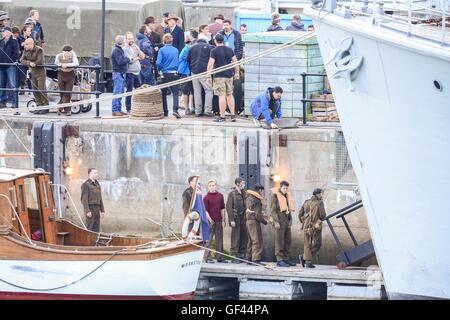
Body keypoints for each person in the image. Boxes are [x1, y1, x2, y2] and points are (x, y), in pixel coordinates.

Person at [207, 33, 240, 123]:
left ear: (215, 41)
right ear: (223, 40)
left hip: (219, 76)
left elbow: (210, 64)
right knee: (229, 94)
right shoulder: (229, 49)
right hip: (229, 75)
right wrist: (237, 73)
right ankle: (233, 115)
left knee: (221, 95)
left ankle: (222, 116)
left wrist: (208, 76)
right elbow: (235, 62)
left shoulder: (214, 51)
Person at [187, 27, 214, 117]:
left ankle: (198, 111)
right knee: (209, 90)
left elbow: (188, 59)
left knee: (196, 91)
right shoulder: (210, 47)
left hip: (194, 71)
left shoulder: (192, 47)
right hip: (205, 72)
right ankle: (207, 110)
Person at [298, 188, 326, 268]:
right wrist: (318, 222)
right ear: (318, 194)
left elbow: (300, 214)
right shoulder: (320, 203)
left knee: (307, 244)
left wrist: (303, 222)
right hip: (316, 226)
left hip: (306, 226)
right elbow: (323, 216)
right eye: (321, 194)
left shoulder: (306, 202)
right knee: (317, 244)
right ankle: (307, 261)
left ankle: (305, 259)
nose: (322, 195)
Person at [270, 180, 296, 267]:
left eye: (286, 188)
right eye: (284, 188)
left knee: (288, 240)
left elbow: (288, 209)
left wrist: (290, 220)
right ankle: (279, 259)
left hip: (287, 220)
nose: (285, 190)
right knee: (279, 240)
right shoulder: (275, 196)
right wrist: (276, 221)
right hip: (279, 221)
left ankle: (286, 258)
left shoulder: (287, 196)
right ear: (280, 188)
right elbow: (273, 211)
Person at [20, 38, 49, 113]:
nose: (25, 46)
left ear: (31, 44)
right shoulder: (25, 51)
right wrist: (29, 63)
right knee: (35, 90)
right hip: (32, 72)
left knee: (41, 89)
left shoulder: (39, 50)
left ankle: (45, 106)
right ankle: (38, 105)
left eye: (26, 44)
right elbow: (22, 60)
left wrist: (34, 64)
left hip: (40, 72)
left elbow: (40, 60)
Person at [157, 33, 181, 119]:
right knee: (175, 93)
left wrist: (159, 69)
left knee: (163, 93)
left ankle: (165, 111)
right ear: (172, 41)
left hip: (165, 73)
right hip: (174, 73)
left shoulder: (161, 50)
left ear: (163, 41)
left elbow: (158, 63)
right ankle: (175, 110)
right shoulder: (176, 50)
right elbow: (178, 61)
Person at [203, 179, 226, 262]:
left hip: (219, 220)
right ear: (208, 187)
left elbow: (222, 208)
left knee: (219, 239)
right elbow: (205, 211)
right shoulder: (206, 197)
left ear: (216, 186)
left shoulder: (220, 196)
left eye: (213, 185)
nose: (212, 187)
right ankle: (207, 257)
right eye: (210, 186)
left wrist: (223, 219)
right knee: (209, 239)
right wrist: (210, 219)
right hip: (210, 221)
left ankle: (220, 257)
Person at [226, 177, 247, 263]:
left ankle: (241, 254)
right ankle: (234, 256)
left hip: (243, 218)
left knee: (243, 236)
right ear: (238, 184)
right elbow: (229, 207)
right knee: (235, 237)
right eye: (242, 183)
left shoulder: (244, 193)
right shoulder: (232, 194)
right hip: (236, 218)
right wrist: (231, 220)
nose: (244, 185)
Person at [245, 184, 268, 264]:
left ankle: (248, 258)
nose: (262, 193)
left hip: (248, 221)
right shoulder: (257, 200)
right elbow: (257, 215)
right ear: (260, 190)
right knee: (257, 240)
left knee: (250, 240)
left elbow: (252, 210)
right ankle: (255, 259)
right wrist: (265, 222)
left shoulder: (248, 198)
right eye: (262, 191)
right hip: (254, 222)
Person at [55, 45, 79, 116]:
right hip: (61, 74)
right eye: (70, 52)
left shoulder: (73, 55)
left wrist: (67, 65)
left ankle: (64, 109)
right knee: (62, 92)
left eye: (71, 52)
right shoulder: (58, 56)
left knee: (68, 92)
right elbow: (56, 64)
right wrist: (61, 64)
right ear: (64, 52)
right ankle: (63, 108)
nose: (71, 54)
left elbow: (76, 64)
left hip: (70, 75)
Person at [124, 31, 144, 113]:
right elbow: (130, 60)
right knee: (129, 91)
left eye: (132, 38)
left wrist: (138, 50)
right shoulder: (125, 49)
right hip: (129, 72)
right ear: (125, 39)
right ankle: (128, 108)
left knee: (139, 90)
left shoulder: (135, 47)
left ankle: (139, 106)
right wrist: (137, 58)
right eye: (129, 39)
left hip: (137, 72)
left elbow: (142, 57)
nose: (131, 40)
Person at [111, 35, 131, 116]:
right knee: (117, 92)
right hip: (118, 73)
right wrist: (128, 59)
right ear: (122, 42)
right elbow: (120, 61)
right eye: (125, 40)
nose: (126, 41)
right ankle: (115, 110)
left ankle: (118, 109)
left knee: (121, 92)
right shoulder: (117, 50)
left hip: (120, 73)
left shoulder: (119, 50)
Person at [81, 168, 106, 233]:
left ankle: (95, 242)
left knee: (96, 228)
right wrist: (87, 211)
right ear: (90, 174)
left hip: (97, 208)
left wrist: (102, 210)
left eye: (97, 173)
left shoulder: (97, 184)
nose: (97, 174)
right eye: (95, 173)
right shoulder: (85, 185)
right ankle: (88, 242)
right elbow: (84, 199)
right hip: (90, 208)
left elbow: (100, 198)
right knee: (90, 228)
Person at [0, 27, 19, 109]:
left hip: (10, 66)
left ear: (8, 33)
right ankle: (2, 102)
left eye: (3, 32)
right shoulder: (0, 42)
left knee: (12, 84)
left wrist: (10, 62)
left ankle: (15, 102)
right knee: (1, 84)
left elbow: (16, 54)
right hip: (1, 66)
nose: (2, 33)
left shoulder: (14, 42)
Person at [178, 30, 196, 115]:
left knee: (192, 91)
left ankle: (191, 107)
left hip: (191, 72)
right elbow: (184, 58)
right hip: (185, 72)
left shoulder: (188, 48)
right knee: (186, 91)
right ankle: (186, 108)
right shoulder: (186, 49)